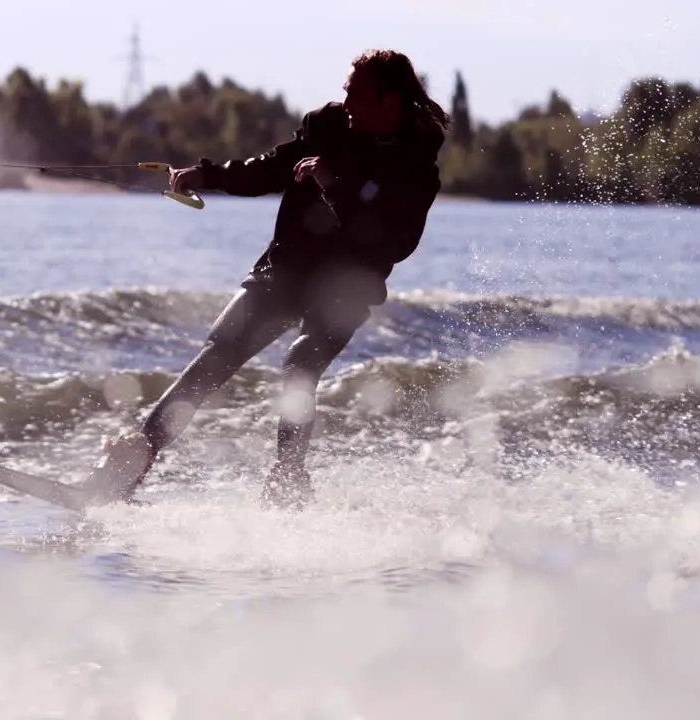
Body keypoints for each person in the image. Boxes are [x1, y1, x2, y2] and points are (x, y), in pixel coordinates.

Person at [79, 49, 448, 509]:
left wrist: (333, 186)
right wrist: (205, 174)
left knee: (300, 365)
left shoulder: (416, 167)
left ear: (387, 98)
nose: (346, 101)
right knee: (217, 355)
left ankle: (287, 480)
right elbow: (271, 168)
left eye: (354, 93)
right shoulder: (328, 126)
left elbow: (393, 245)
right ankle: (127, 469)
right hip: (288, 265)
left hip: (349, 282)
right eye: (346, 92)